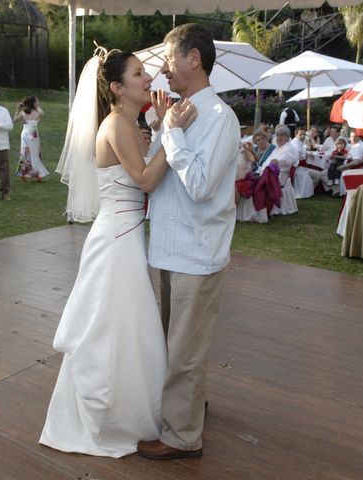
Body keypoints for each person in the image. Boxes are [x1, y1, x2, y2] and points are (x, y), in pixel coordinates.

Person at [39, 48, 191, 457]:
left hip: (123, 234)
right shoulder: (119, 124)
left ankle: (136, 408)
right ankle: (118, 416)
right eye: (140, 74)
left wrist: (156, 132)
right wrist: (170, 131)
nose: (149, 79)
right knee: (118, 325)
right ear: (117, 88)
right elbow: (145, 181)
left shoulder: (126, 123)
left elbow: (139, 171)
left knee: (125, 325)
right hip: (117, 239)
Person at [136, 23, 240, 461]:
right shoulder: (176, 114)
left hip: (197, 253)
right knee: (173, 345)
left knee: (185, 351)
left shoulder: (220, 119)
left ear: (193, 59)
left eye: (168, 59)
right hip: (167, 248)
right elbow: (153, 176)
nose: (162, 70)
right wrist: (159, 127)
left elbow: (198, 186)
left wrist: (173, 133)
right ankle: (189, 406)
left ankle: (182, 437)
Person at [14, 96, 49, 182]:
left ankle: (24, 173)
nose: (38, 103)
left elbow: (15, 119)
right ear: (33, 103)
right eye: (37, 101)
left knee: (26, 154)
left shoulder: (23, 113)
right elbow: (42, 112)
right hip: (32, 136)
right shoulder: (37, 112)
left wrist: (17, 110)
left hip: (26, 135)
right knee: (34, 154)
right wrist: (37, 107)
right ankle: (37, 174)